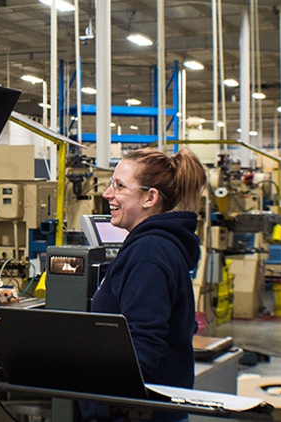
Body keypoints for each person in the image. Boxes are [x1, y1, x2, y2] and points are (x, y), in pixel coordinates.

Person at [81, 147, 206, 422]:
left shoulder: (149, 253)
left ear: (150, 198)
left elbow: (141, 349)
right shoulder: (155, 246)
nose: (107, 194)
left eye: (120, 186)